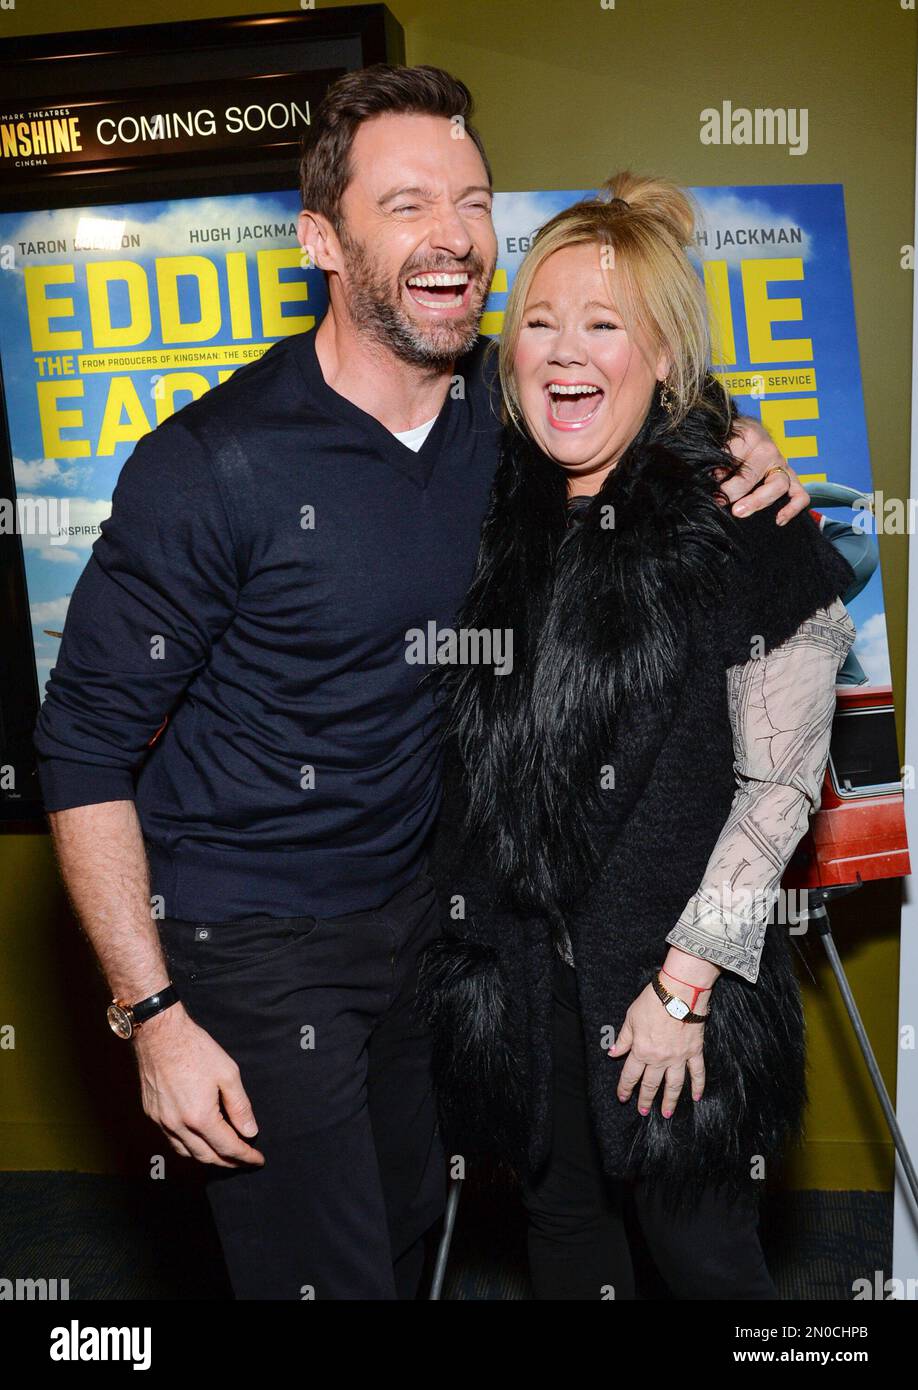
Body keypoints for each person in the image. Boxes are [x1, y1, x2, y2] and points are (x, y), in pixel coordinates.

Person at [33, 67, 808, 1301]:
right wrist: (153, 1014)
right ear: (321, 241)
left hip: (426, 931)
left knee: (407, 1242)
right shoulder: (212, 465)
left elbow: (627, 376)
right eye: (406, 205)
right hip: (251, 940)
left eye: (472, 199)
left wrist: (740, 441)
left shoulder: (503, 413)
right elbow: (79, 750)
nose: (451, 234)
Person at [420, 172, 856, 1300]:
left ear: (664, 356)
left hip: (676, 988)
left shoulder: (744, 520)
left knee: (705, 1255)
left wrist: (682, 987)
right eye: (541, 322)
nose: (566, 353)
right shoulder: (489, 506)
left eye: (604, 325)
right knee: (566, 1236)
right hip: (525, 980)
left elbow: (780, 790)